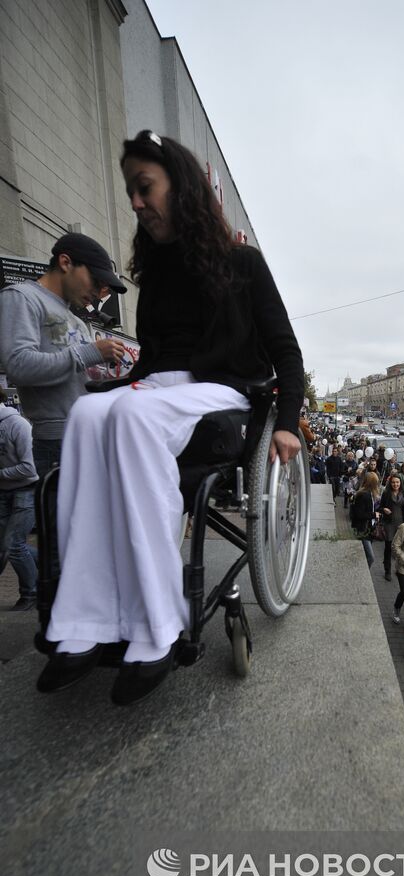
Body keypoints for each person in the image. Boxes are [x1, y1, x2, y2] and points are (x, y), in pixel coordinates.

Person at [36, 130, 304, 705]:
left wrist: (287, 420)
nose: (135, 201)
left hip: (224, 393)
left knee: (131, 418)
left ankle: (156, 626)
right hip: (160, 388)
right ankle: (83, 622)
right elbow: (155, 361)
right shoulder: (155, 275)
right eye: (131, 190)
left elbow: (286, 350)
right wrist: (118, 387)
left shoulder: (243, 264)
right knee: (87, 417)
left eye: (144, 187)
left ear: (179, 187)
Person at [0, 234, 127, 477]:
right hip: (58, 442)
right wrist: (91, 352)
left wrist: (114, 372)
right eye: (96, 281)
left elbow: (80, 375)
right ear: (66, 263)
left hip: (88, 433)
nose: (101, 293)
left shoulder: (77, 321)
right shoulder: (22, 297)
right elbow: (18, 365)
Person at [0, 388, 39, 610]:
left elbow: (29, 468)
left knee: (13, 545)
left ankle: (31, 595)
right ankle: (50, 566)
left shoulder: (17, 425)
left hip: (26, 489)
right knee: (10, 544)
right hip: (3, 491)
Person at [379, 473, 404, 581]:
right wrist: (384, 509)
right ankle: (387, 570)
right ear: (390, 483)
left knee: (399, 548)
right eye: (393, 482)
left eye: (397, 482)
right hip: (389, 523)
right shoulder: (386, 493)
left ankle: (399, 569)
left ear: (400, 483)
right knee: (388, 547)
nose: (395, 484)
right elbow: (380, 506)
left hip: (401, 524)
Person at [350, 471, 380, 568]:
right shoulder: (364, 495)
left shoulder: (370, 494)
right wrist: (373, 515)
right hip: (363, 530)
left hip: (368, 529)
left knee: (363, 554)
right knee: (370, 557)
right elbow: (360, 514)